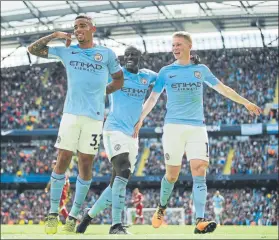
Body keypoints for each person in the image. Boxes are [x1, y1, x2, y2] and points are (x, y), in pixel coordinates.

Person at [133, 31, 262, 234]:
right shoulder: (166, 71)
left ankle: (200, 220)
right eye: (173, 45)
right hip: (173, 128)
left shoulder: (201, 70)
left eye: (179, 44)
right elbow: (152, 99)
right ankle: (161, 207)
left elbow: (223, 89)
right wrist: (140, 119)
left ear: (189, 46)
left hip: (197, 128)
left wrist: (245, 102)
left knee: (200, 170)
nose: (175, 48)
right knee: (172, 175)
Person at [75, 46, 201, 234]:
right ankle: (116, 225)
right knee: (123, 171)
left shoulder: (147, 76)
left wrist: (189, 63)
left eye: (134, 55)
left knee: (115, 183)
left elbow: (168, 76)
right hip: (114, 129)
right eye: (127, 55)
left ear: (140, 58)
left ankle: (88, 216)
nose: (130, 58)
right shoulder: (116, 74)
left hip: (132, 135)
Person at [27, 15, 124, 234]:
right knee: (62, 159)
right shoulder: (67, 51)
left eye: (83, 26)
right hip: (70, 114)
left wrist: (103, 91)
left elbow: (119, 79)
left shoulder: (106, 54)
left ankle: (73, 216)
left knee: (86, 164)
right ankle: (53, 214)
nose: (78, 29)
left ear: (92, 29)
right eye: (75, 27)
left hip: (94, 117)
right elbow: (33, 50)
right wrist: (55, 35)